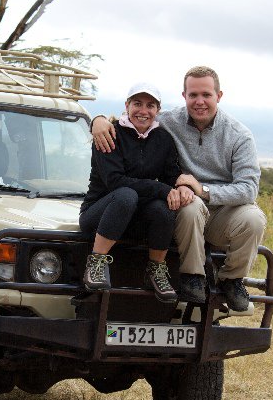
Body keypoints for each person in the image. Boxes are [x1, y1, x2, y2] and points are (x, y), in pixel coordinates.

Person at [91, 66, 266, 311]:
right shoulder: (169, 122)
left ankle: (232, 280)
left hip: (222, 210)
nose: (199, 101)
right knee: (190, 205)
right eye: (193, 95)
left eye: (206, 94)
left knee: (254, 218)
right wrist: (97, 120)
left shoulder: (239, 135)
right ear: (184, 97)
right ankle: (192, 277)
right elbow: (136, 118)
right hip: (186, 205)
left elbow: (248, 189)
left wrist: (203, 190)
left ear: (219, 96)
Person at [80, 83, 194, 302]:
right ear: (127, 106)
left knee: (164, 207)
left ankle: (156, 269)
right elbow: (114, 181)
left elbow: (171, 176)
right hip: (99, 214)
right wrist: (162, 189)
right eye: (137, 104)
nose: (143, 111)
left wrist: (181, 187)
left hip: (135, 219)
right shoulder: (109, 132)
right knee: (125, 195)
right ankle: (95, 263)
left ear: (158, 110)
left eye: (150, 105)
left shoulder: (163, 140)